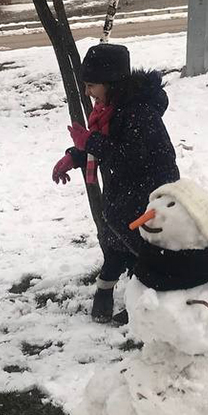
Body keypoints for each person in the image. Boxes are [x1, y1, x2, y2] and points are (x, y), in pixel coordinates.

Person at [52, 43, 180, 324]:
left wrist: (89, 142)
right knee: (117, 245)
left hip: (149, 195)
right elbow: (109, 146)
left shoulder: (138, 112)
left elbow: (130, 157)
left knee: (146, 252)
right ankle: (106, 294)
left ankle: (150, 306)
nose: (88, 93)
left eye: (92, 85)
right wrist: (75, 156)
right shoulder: (111, 108)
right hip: (125, 194)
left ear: (111, 82)